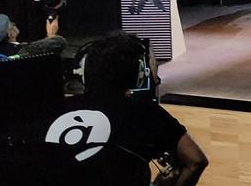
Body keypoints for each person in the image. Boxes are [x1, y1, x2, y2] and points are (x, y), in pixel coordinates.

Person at [38, 33, 207, 185]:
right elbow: (196, 160)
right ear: (139, 75)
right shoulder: (145, 112)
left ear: (83, 73)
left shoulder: (53, 110)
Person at [0, 13, 65, 62]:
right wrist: (51, 34)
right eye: (12, 24)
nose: (14, 24)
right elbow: (58, 43)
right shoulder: (23, 50)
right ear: (11, 34)